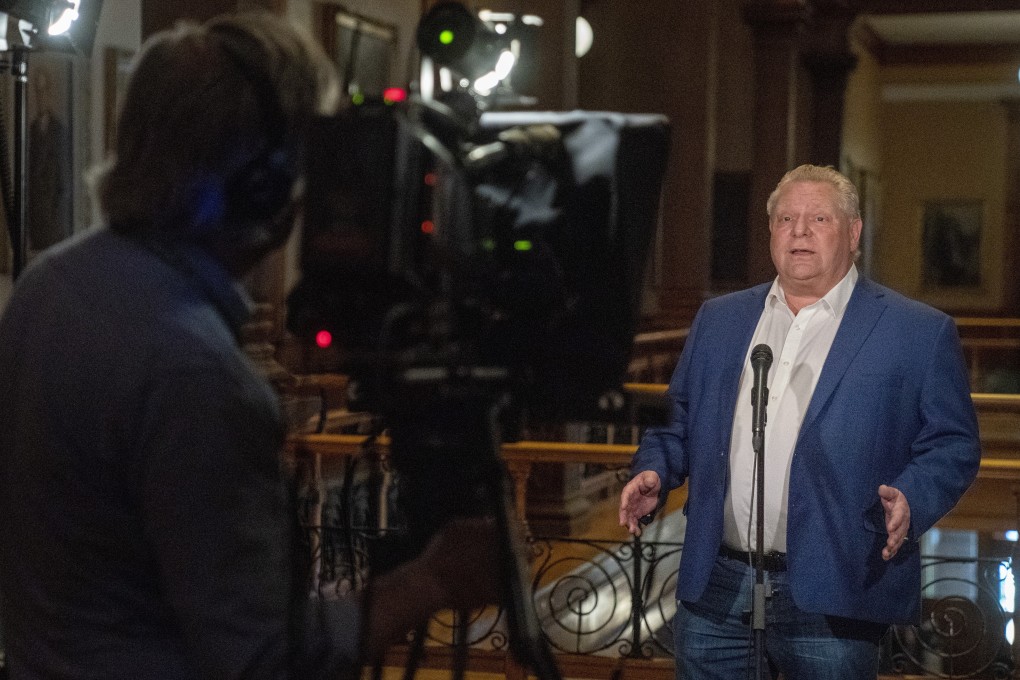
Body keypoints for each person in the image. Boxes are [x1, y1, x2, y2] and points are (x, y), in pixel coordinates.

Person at [0, 12, 496, 680]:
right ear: (263, 180)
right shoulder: (197, 374)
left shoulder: (46, 287)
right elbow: (262, 663)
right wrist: (431, 581)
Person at [619, 164, 981, 680]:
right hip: (717, 586)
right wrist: (655, 469)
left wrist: (913, 496)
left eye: (818, 218)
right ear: (770, 233)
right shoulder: (719, 320)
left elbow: (953, 444)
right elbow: (677, 421)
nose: (800, 231)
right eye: (786, 217)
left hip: (834, 589)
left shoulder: (916, 331)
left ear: (853, 233)